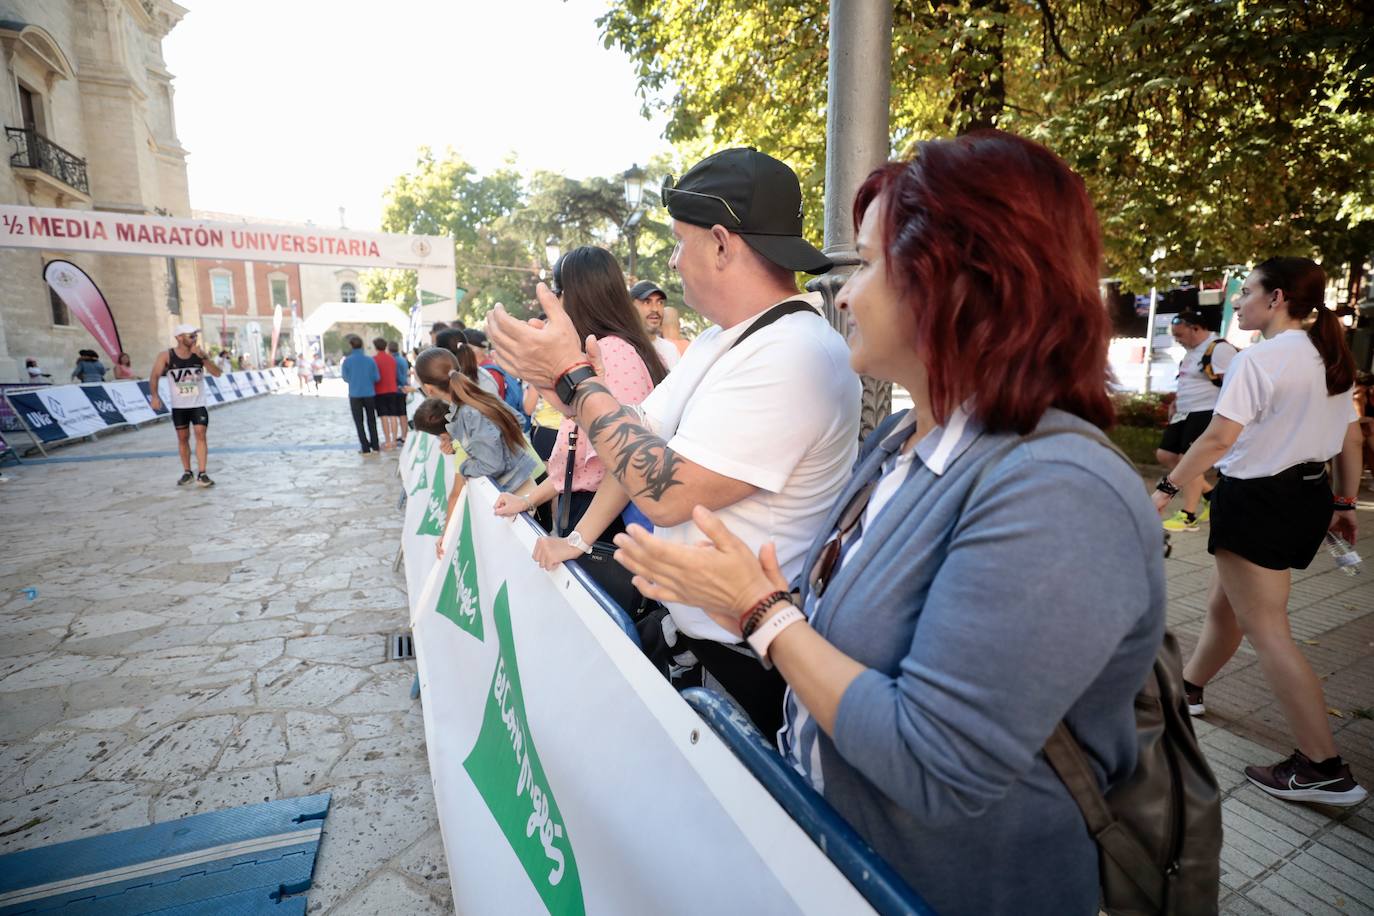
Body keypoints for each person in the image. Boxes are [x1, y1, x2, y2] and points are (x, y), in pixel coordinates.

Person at [609, 132, 1165, 914]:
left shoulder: (1060, 492)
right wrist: (755, 592)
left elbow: (934, 765)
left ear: (957, 282)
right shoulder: (902, 445)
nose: (842, 296)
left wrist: (761, 613)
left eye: (868, 265)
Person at [488, 147, 859, 734]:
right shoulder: (725, 339)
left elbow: (667, 491)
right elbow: (636, 437)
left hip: (745, 663)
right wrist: (564, 388)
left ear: (720, 243)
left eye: (680, 242)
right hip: (695, 634)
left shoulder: (793, 353)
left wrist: (578, 383)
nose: (674, 260)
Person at [1153, 256, 1366, 807]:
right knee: (1228, 605)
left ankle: (1323, 767)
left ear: (1276, 300)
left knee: (1267, 628)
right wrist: (1344, 502)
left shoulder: (1260, 360)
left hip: (1258, 499)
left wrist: (1168, 489)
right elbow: (1350, 440)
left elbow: (1218, 440)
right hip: (1307, 496)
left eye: (1246, 291)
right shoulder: (1329, 358)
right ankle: (1189, 689)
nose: (1240, 301)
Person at [492, 247, 667, 558]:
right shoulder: (601, 351)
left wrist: (577, 541)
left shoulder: (612, 351)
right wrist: (528, 499)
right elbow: (574, 468)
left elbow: (628, 462)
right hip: (595, 519)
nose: (556, 304)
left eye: (558, 291)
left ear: (576, 296)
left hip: (608, 524)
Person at [412, 348, 538, 554]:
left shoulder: (468, 411)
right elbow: (518, 420)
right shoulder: (474, 396)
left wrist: (465, 465)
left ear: (428, 389)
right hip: (520, 488)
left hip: (517, 493)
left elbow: (491, 463)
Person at [1157, 310, 1238, 532]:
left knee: (1188, 459)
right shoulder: (1190, 351)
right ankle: (1209, 495)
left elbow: (1233, 385)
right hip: (1184, 411)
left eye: (1180, 334)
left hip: (1206, 411)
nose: (1177, 339)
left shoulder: (1219, 349)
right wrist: (1176, 401)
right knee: (1166, 455)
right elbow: (1187, 380)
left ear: (1196, 328)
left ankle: (1188, 515)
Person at [149, 324, 223, 486]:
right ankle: (187, 472)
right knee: (183, 438)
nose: (194, 339)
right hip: (179, 406)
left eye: (195, 336)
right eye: (191, 336)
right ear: (179, 337)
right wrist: (154, 396)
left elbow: (217, 373)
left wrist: (204, 358)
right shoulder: (166, 355)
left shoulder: (199, 354)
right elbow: (154, 375)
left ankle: (202, 473)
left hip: (198, 404)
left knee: (200, 434)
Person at [340, 334, 380, 455]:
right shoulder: (370, 360)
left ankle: (365, 447)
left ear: (351, 346)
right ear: (362, 345)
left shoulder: (347, 361)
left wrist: (354, 380)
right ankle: (375, 445)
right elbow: (376, 377)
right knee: (371, 420)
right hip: (369, 393)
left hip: (355, 394)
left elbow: (345, 378)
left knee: (359, 422)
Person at [628, 279, 681, 370]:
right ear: (631, 307)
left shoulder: (671, 350)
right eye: (647, 302)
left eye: (660, 302)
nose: (655, 309)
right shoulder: (623, 348)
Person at [372, 337, 400, 450]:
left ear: (375, 347)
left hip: (380, 390)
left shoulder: (374, 359)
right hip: (392, 389)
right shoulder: (392, 359)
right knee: (393, 416)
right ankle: (394, 440)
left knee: (384, 417)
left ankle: (387, 441)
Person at [390, 341, 411, 445]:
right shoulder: (403, 359)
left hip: (397, 389)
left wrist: (399, 385)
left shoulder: (393, 360)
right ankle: (404, 435)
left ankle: (401, 436)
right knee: (403, 413)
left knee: (398, 414)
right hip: (404, 388)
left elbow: (397, 375)